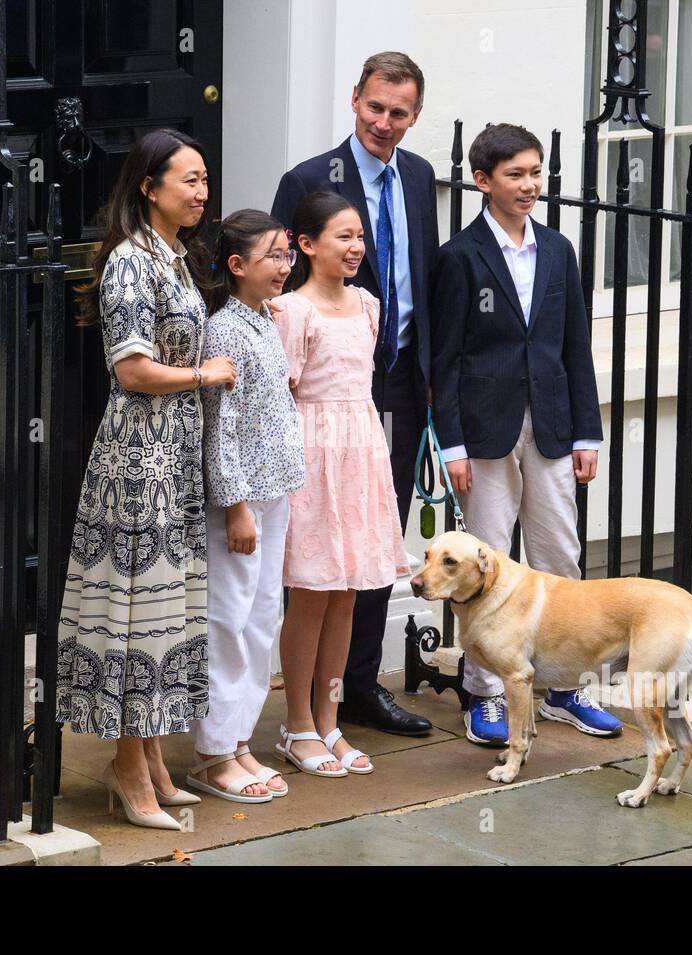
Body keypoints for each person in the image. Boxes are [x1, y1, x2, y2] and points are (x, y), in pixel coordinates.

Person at [56, 128, 236, 830]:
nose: (201, 191)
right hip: (138, 459)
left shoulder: (176, 256)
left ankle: (152, 755)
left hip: (174, 454)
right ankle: (127, 766)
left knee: (167, 611)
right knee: (139, 613)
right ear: (148, 186)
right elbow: (131, 367)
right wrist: (205, 373)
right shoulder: (133, 261)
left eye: (204, 179)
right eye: (189, 179)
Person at [429, 123, 622, 746]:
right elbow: (447, 357)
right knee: (482, 562)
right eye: (516, 174)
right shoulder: (460, 255)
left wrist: (588, 433)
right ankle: (483, 696)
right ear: (483, 181)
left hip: (554, 425)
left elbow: (575, 348)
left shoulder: (560, 250)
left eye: (536, 173)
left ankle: (566, 688)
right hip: (484, 432)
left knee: (559, 555)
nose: (530, 185)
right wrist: (451, 444)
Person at [270, 51, 437, 737]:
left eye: (399, 112)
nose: (385, 123)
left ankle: (358, 687)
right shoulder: (310, 179)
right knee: (313, 552)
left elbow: (421, 278)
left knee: (373, 540)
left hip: (398, 383)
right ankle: (303, 708)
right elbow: (276, 282)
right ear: (354, 99)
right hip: (321, 392)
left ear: (414, 114)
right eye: (375, 107)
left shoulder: (422, 176)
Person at [269, 191, 409, 777]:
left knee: (348, 592)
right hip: (312, 456)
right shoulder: (290, 311)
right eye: (341, 237)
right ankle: (297, 723)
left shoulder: (370, 306)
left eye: (359, 237)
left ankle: (330, 720)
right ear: (306, 244)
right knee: (311, 592)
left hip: (361, 451)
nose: (355, 248)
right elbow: (279, 398)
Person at [189, 210, 306, 803]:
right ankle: (213, 752)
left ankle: (238, 741)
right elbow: (222, 426)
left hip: (274, 490)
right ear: (237, 267)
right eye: (273, 258)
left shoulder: (264, 321)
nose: (285, 267)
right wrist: (235, 506)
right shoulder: (225, 330)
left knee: (262, 620)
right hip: (241, 501)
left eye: (287, 256)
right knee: (229, 620)